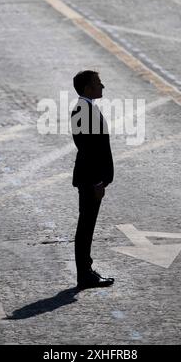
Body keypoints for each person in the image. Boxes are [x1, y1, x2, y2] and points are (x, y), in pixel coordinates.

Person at [71, 70, 114, 289]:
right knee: (86, 226)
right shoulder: (83, 111)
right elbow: (88, 151)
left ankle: (86, 269)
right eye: (98, 83)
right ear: (87, 88)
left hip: (91, 178)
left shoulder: (86, 108)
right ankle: (84, 274)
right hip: (90, 179)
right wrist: (98, 181)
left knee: (87, 225)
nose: (102, 86)